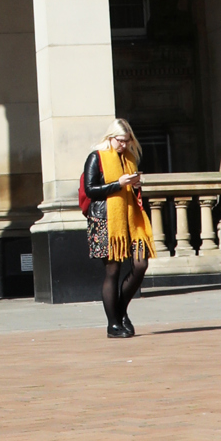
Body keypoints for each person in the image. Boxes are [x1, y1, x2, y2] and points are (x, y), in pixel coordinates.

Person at [82, 120, 154, 336]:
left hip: (131, 220)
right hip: (106, 221)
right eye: (119, 140)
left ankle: (120, 311)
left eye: (126, 141)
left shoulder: (129, 158)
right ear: (110, 137)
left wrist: (135, 186)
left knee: (140, 265)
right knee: (112, 271)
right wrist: (119, 184)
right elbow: (90, 190)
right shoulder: (96, 157)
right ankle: (113, 324)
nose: (122, 145)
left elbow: (131, 192)